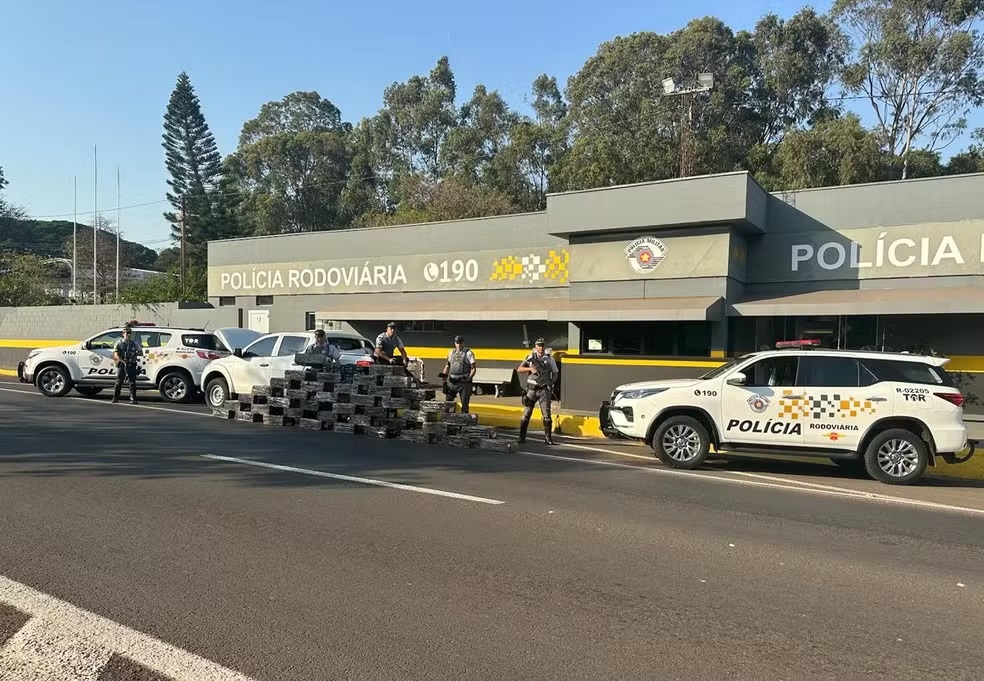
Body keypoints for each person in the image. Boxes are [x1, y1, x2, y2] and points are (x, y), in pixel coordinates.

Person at [516, 338, 559, 444]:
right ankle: (522, 437)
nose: (541, 348)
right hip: (531, 389)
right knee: (527, 413)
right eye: (539, 346)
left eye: (542, 345)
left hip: (544, 390)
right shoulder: (530, 357)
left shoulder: (549, 358)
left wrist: (551, 383)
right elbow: (520, 369)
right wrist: (530, 369)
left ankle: (548, 438)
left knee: (546, 414)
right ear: (535, 347)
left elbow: (555, 373)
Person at [440, 335, 476, 413]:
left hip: (463, 382)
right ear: (455, 343)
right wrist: (444, 380)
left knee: (465, 404)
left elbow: (473, 368)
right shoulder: (451, 353)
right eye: (457, 343)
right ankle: (448, 417)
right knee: (448, 403)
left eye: (460, 343)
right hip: (452, 381)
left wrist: (469, 378)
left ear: (463, 343)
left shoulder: (468, 353)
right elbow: (447, 366)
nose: (458, 345)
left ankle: (464, 418)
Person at [112, 325, 143, 404]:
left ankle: (133, 399)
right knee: (119, 382)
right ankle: (115, 398)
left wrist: (134, 354)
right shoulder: (119, 343)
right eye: (127, 333)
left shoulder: (134, 343)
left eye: (130, 333)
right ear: (123, 334)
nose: (128, 334)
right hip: (122, 364)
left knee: (132, 382)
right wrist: (122, 361)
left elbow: (141, 352)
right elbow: (115, 354)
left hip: (131, 364)